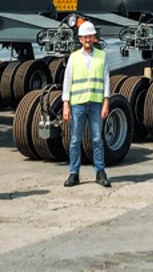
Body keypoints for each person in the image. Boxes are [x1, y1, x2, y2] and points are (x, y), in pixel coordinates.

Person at [61, 20, 111, 188]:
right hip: (78, 105)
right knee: (75, 140)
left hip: (96, 103)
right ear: (80, 39)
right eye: (84, 37)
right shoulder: (74, 58)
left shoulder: (102, 56)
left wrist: (106, 102)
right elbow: (67, 81)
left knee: (97, 139)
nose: (87, 40)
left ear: (94, 38)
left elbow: (106, 80)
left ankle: (100, 172)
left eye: (90, 36)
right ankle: (74, 173)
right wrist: (65, 104)